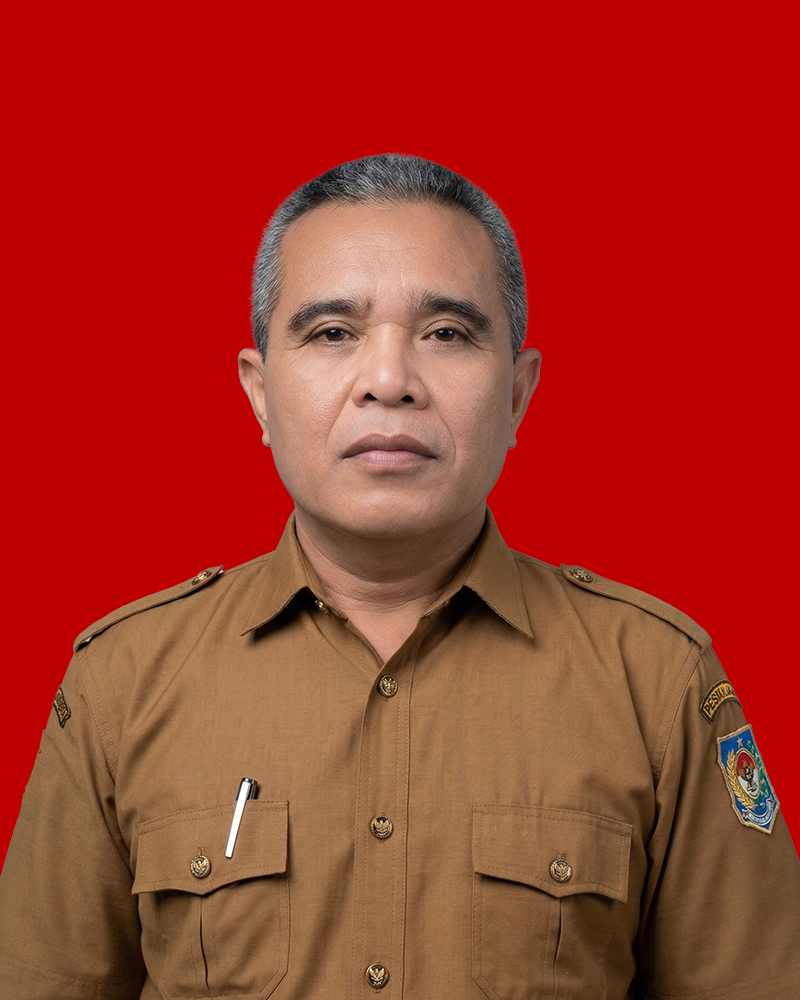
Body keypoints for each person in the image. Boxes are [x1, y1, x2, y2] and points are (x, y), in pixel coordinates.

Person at [0, 154, 797, 1000]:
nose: (388, 382)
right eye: (332, 333)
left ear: (518, 394)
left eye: (446, 333)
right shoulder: (122, 683)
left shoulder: (658, 680)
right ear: (260, 394)